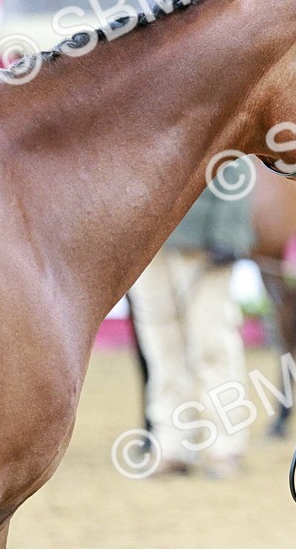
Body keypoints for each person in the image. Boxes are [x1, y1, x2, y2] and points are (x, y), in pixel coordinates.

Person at [127, 162, 254, 479]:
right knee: (161, 350)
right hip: (143, 242)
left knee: (213, 346)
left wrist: (228, 234)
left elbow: (234, 157)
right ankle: (171, 445)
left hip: (202, 243)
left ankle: (226, 445)